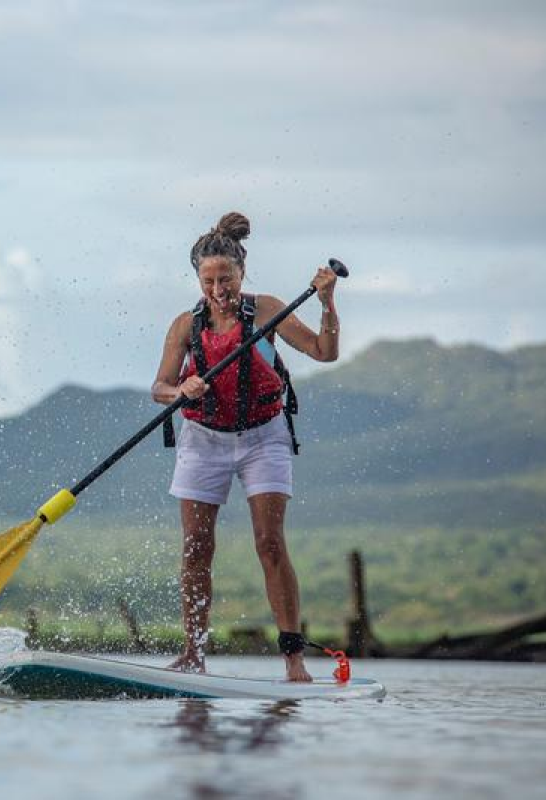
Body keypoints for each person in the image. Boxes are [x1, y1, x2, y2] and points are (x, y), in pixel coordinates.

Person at [150, 211, 339, 682]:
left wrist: (326, 303)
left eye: (227, 279)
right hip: (202, 440)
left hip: (263, 437)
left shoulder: (268, 309)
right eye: (208, 281)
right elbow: (160, 388)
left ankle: (294, 662)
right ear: (198, 278)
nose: (219, 291)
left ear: (242, 272)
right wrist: (182, 390)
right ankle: (193, 654)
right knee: (196, 547)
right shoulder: (184, 326)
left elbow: (323, 351)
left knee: (269, 543)